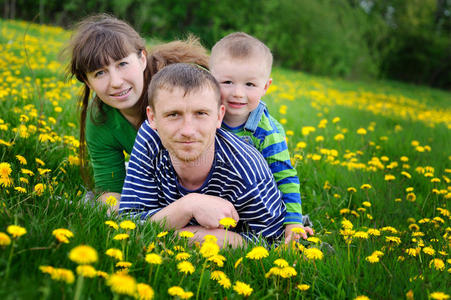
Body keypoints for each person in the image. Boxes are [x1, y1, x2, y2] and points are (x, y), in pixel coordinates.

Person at [119, 63, 286, 247]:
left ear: (219, 117)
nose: (188, 131)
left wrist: (179, 236)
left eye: (201, 113)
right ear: (152, 118)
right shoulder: (150, 138)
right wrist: (189, 206)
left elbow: (273, 242)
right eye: (173, 114)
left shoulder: (247, 173)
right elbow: (129, 224)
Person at [65, 14, 209, 210]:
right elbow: (110, 189)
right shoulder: (100, 118)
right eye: (100, 73)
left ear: (142, 59)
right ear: (87, 81)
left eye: (122, 64)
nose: (116, 82)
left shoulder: (176, 89)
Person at [209, 32, 313, 243]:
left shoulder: (268, 132)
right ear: (210, 79)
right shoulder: (204, 116)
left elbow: (285, 176)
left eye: (250, 85)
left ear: (265, 86)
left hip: (255, 210)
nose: (238, 93)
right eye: (227, 82)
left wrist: (292, 221)